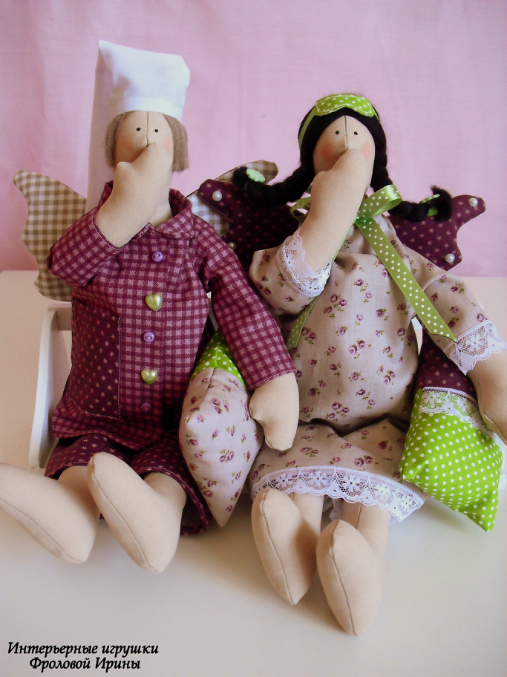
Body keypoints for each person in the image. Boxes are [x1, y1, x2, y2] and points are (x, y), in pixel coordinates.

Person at [0, 42, 298, 574]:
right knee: (85, 459)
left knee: (168, 471)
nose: (145, 140)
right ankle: (70, 508)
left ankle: (157, 515)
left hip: (171, 416)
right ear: (112, 147)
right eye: (133, 130)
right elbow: (66, 267)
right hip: (95, 412)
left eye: (155, 130)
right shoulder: (95, 231)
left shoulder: (197, 239)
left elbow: (241, 306)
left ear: (177, 150)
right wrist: (124, 208)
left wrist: (273, 379)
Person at [233, 93, 507, 634]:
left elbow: (447, 301)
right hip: (301, 416)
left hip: (384, 419)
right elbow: (276, 292)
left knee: (370, 503)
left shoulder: (397, 252)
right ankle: (294, 540)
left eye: (357, 136)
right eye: (332, 138)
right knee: (295, 483)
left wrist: (491, 374)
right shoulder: (294, 241)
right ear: (310, 161)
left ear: (376, 155)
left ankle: (359, 564)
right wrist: (323, 221)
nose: (346, 145)